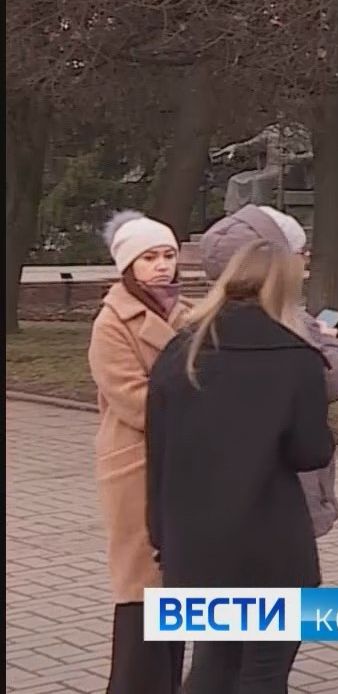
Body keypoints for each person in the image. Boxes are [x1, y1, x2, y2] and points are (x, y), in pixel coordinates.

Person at [147, 239, 335, 694]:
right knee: (264, 672)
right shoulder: (299, 358)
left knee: (213, 663)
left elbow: (158, 452)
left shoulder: (180, 353)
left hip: (196, 546)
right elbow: (310, 452)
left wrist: (162, 538)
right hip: (272, 549)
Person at [197, 205, 338, 537]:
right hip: (283, 501)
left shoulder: (191, 340)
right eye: (298, 254)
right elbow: (332, 385)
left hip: (210, 507)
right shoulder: (293, 335)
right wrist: (328, 343)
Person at [89, 211, 189, 694]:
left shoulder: (185, 313)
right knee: (140, 587)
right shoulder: (112, 323)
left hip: (179, 465)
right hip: (135, 463)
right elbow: (134, 398)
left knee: (174, 587)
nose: (162, 266)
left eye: (168, 255)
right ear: (128, 265)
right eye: (150, 257)